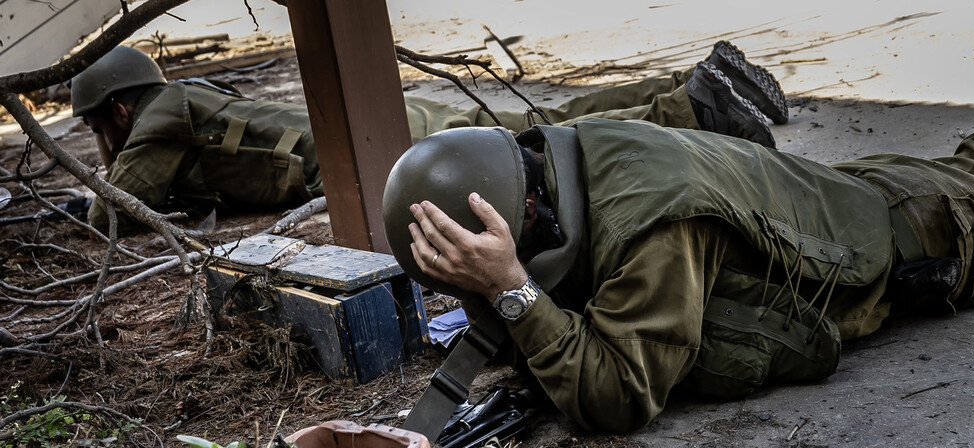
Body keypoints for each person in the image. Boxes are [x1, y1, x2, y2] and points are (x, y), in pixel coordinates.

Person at [382, 116, 974, 434]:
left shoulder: (651, 227)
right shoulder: (558, 164)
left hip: (927, 227)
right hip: (859, 192)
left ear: (521, 213)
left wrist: (510, 289)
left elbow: (619, 395)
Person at [72, 43, 786, 234]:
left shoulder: (161, 112)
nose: (103, 143)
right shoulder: (188, 101)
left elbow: (117, 210)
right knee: (536, 131)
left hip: (374, 152)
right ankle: (695, 87)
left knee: (545, 149)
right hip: (389, 125)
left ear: (119, 113)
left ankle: (695, 105)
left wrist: (86, 202)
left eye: (99, 128)